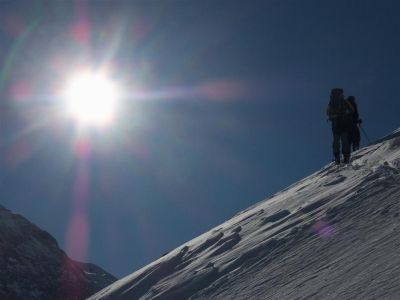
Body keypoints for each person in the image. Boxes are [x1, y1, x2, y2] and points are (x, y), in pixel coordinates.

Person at [326, 88, 354, 164]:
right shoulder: (344, 102)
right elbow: (351, 110)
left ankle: (337, 157)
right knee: (344, 140)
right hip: (343, 123)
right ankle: (346, 157)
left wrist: (334, 116)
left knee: (336, 141)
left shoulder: (331, 103)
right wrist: (346, 114)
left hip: (335, 125)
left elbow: (328, 113)